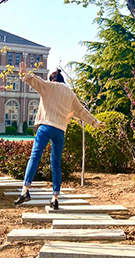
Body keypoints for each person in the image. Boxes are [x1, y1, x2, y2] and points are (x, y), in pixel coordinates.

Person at [14, 62, 102, 209]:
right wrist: (96, 122)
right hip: (59, 131)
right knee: (56, 163)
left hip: (46, 126)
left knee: (35, 157)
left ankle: (25, 191)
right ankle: (55, 198)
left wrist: (24, 74)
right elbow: (81, 112)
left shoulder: (49, 86)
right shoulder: (70, 94)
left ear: (52, 79)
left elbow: (35, 81)